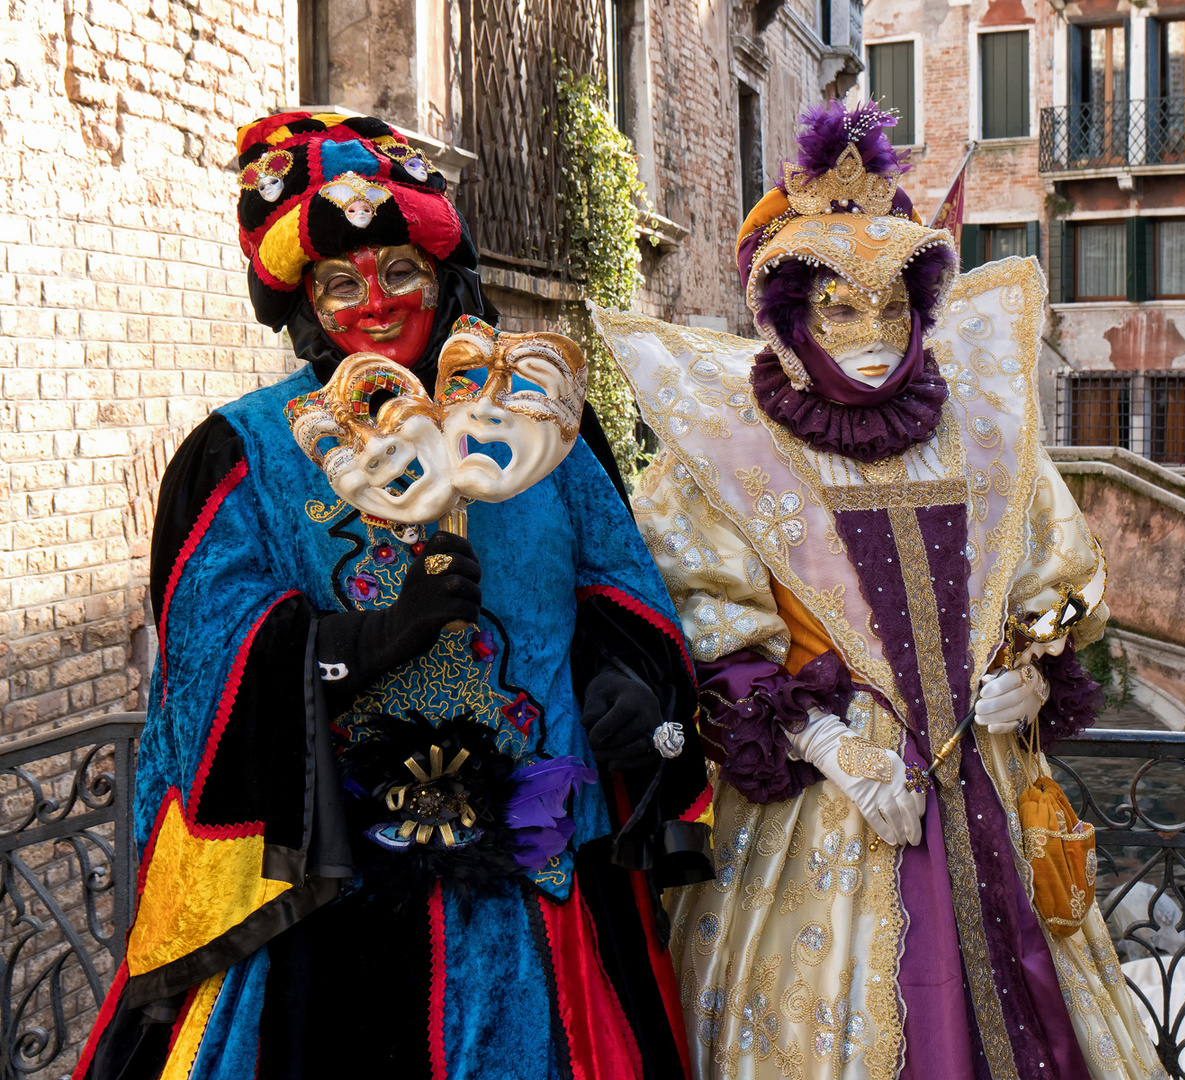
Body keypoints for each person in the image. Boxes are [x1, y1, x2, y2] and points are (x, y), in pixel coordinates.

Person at [75, 112, 710, 1080]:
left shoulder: (545, 433)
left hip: (550, 914)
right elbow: (207, 671)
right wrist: (360, 642)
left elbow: (627, 597)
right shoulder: (244, 457)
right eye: (338, 282)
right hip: (337, 938)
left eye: (398, 270)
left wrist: (628, 684)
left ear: (442, 272)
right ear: (301, 300)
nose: (372, 304)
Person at [594, 101, 1162, 1079]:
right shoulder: (725, 454)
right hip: (828, 807)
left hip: (985, 773)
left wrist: (1027, 670)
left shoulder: (981, 429)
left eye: (893, 307)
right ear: (790, 314)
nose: (873, 332)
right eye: (843, 309)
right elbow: (706, 631)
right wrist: (822, 743)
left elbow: (1045, 588)